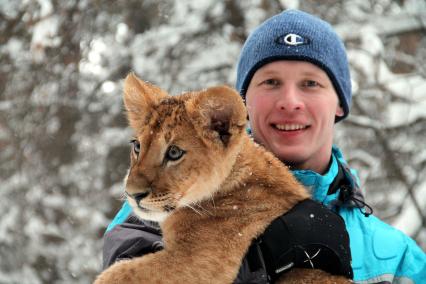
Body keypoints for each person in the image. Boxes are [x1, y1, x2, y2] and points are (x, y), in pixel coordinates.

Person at [102, 9, 426, 283]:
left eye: (310, 83)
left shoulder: (396, 256)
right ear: (241, 106)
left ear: (340, 102)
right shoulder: (157, 210)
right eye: (271, 82)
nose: (290, 102)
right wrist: (251, 268)